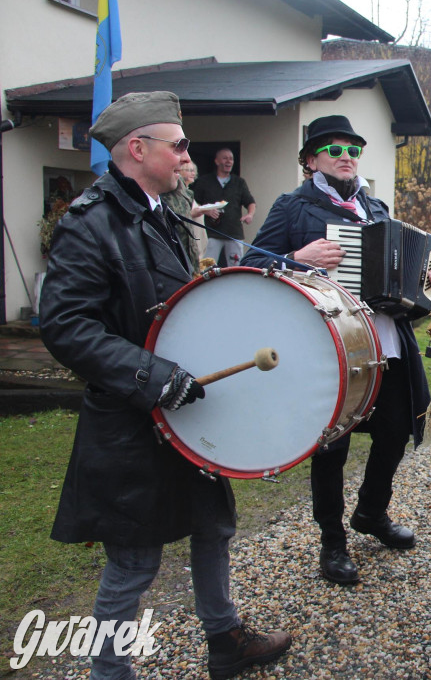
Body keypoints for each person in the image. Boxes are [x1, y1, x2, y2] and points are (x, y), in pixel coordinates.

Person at [39, 91, 290, 680]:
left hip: (185, 411)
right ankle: (110, 671)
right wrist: (154, 379)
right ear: (137, 147)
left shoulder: (164, 213)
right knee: (132, 561)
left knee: (213, 527)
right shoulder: (91, 222)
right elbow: (65, 324)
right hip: (132, 416)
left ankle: (225, 640)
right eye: (177, 144)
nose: (186, 154)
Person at [239, 115, 431, 586]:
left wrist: (428, 284)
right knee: (330, 444)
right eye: (334, 150)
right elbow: (250, 262)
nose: (346, 157)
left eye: (353, 150)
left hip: (385, 341)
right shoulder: (293, 207)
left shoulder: (376, 207)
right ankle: (332, 540)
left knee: (397, 430)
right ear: (311, 159)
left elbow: (403, 283)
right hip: (328, 344)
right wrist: (296, 260)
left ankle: (371, 513)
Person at [191, 147, 255, 266]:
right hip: (211, 233)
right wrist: (206, 211)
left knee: (236, 268)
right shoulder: (204, 181)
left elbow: (250, 202)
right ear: (217, 161)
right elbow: (195, 203)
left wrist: (250, 215)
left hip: (233, 233)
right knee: (206, 267)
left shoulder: (239, 182)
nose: (228, 161)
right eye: (225, 158)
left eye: (231, 159)